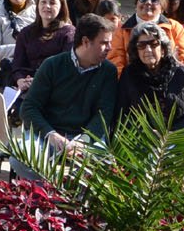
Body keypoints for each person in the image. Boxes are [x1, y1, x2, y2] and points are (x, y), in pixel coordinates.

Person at [19, 13, 119, 156]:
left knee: (105, 165)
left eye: (110, 42)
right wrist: (50, 134)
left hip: (86, 139)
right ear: (85, 41)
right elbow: (28, 108)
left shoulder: (108, 71)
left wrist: (83, 141)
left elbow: (104, 114)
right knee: (24, 157)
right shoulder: (52, 65)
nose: (110, 48)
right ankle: (41, 180)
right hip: (48, 137)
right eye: (103, 43)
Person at [117, 21, 184, 129]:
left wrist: (173, 133)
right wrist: (147, 133)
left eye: (153, 44)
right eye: (141, 45)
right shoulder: (129, 75)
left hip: (181, 138)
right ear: (136, 51)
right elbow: (122, 115)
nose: (148, 49)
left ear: (163, 49)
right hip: (141, 141)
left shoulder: (182, 73)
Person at [106, 0, 184, 73]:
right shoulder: (122, 31)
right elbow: (115, 61)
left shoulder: (175, 27)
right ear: (136, 4)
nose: (148, 2)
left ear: (162, 8)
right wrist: (129, 83)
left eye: (154, 0)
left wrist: (174, 79)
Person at [5, 0, 73, 92]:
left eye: (52, 3)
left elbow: (66, 68)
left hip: (54, 88)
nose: (47, 6)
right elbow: (17, 65)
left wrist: (38, 81)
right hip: (26, 87)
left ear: (61, 7)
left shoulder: (69, 34)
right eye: (43, 2)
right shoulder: (26, 33)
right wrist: (20, 80)